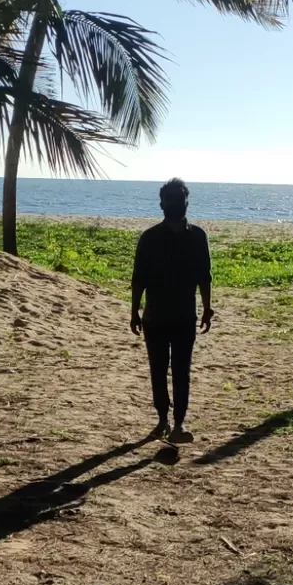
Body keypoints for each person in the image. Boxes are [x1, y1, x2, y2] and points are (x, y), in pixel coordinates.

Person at [130, 178, 212, 443]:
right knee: (158, 370)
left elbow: (205, 275)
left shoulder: (198, 236)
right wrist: (134, 311)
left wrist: (208, 308)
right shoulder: (150, 237)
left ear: (186, 201)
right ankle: (163, 419)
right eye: (170, 198)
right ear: (162, 203)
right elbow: (138, 277)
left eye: (179, 198)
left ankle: (179, 424)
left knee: (181, 371)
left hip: (185, 315)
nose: (175, 203)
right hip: (154, 315)